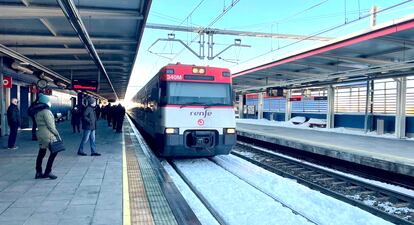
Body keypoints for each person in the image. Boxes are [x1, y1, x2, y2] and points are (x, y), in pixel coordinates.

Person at [34, 94, 61, 179]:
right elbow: (51, 126)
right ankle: (48, 171)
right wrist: (57, 135)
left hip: (41, 134)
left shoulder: (38, 112)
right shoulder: (46, 112)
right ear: (46, 102)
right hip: (47, 135)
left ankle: (38, 172)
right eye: (48, 101)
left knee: (41, 153)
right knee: (54, 152)